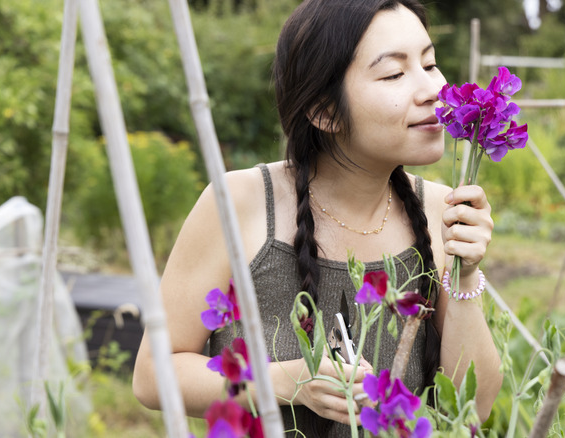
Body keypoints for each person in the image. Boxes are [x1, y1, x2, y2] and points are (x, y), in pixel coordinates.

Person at [132, 0, 502, 435]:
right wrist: (291, 381)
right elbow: (154, 375)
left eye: (430, 63)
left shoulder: (443, 210)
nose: (433, 89)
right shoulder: (240, 204)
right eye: (394, 74)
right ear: (325, 110)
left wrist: (464, 276)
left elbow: (472, 409)